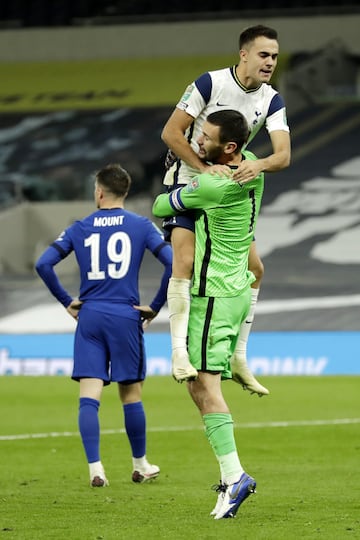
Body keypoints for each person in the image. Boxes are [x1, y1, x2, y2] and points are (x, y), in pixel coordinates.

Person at [161, 24, 290, 393]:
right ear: (244, 54)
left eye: (275, 57)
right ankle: (178, 353)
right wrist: (204, 169)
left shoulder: (271, 100)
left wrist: (260, 164)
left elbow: (283, 155)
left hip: (229, 193)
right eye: (264, 55)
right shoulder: (209, 83)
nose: (270, 62)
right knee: (183, 263)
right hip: (188, 182)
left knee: (256, 268)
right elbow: (171, 133)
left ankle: (239, 357)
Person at [153, 109, 264, 519]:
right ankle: (230, 474)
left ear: (229, 147)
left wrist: (185, 179)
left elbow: (162, 204)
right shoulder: (254, 169)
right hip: (236, 288)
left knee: (204, 385)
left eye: (207, 138)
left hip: (211, 293)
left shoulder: (213, 186)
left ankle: (235, 477)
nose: (198, 143)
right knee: (198, 385)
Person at [35, 163, 172, 487]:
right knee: (131, 395)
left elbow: (44, 263)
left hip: (91, 316)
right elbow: (173, 262)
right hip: (125, 316)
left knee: (89, 396)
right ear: (124, 191)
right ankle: (140, 464)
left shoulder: (80, 227)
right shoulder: (141, 225)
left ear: (98, 192)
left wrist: (67, 301)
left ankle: (96, 469)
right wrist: (154, 307)